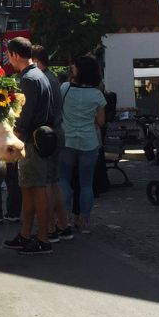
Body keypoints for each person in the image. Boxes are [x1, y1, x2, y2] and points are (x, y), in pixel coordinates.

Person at [3, 37, 55, 255]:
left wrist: (15, 136)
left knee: (36, 189)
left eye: (9, 55)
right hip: (39, 139)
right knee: (31, 189)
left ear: (15, 55)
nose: (9, 60)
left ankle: (42, 238)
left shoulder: (29, 79)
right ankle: (27, 234)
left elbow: (26, 114)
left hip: (31, 142)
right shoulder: (39, 75)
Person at [58, 55, 107, 235]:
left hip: (68, 140)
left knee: (63, 179)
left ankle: (67, 215)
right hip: (89, 142)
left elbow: (57, 110)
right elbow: (101, 122)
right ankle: (83, 220)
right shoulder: (97, 94)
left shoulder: (65, 88)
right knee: (86, 183)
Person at [31, 44, 69, 241]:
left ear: (36, 61)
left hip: (46, 136)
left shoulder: (42, 79)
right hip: (57, 132)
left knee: (45, 184)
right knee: (54, 183)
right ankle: (63, 225)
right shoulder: (53, 78)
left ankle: (51, 229)